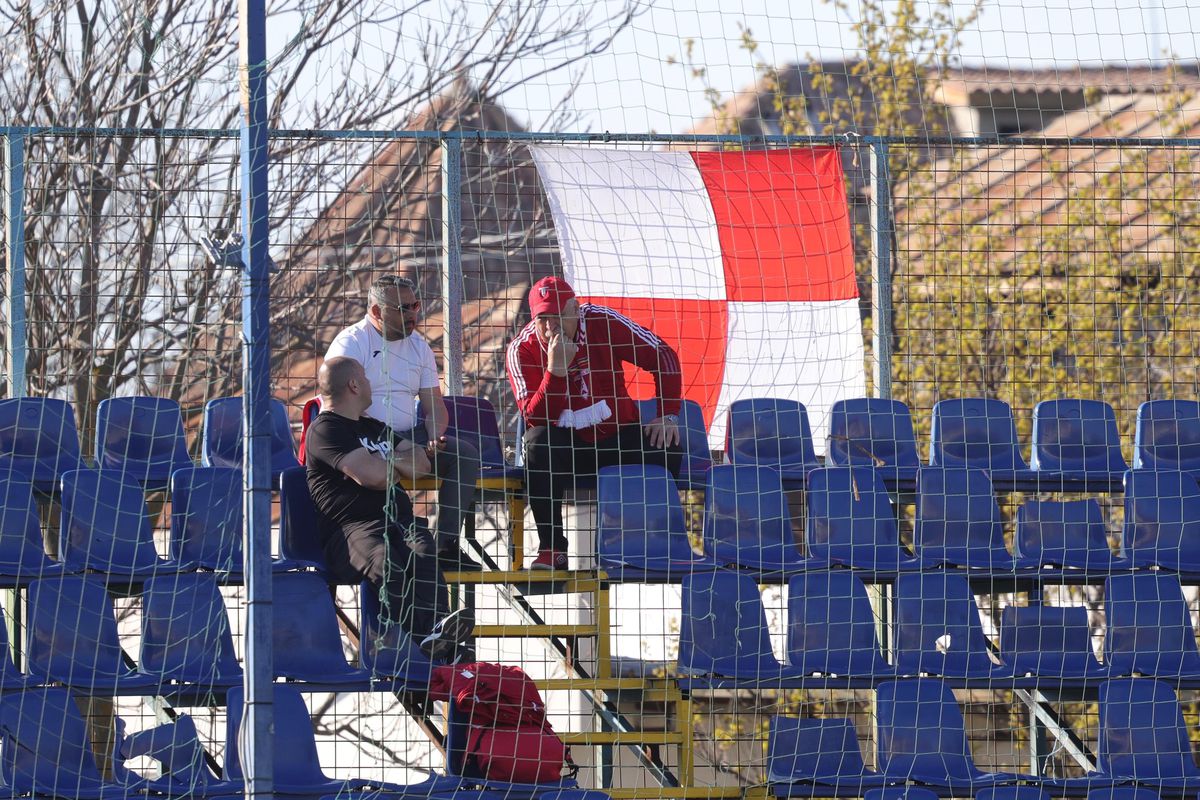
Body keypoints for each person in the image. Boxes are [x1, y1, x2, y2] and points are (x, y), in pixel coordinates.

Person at [505, 276, 683, 570]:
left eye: (558, 317)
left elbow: (664, 356)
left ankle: (653, 536)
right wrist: (555, 371)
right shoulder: (521, 349)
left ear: (575, 309)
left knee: (669, 445)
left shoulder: (602, 321)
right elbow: (534, 417)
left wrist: (667, 413)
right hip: (567, 447)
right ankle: (552, 548)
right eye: (542, 320)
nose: (551, 329)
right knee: (537, 443)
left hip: (616, 436)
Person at [325, 275, 481, 570]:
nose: (412, 314)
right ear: (375, 312)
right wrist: (385, 443)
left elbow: (434, 406)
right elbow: (339, 408)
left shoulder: (419, 347)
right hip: (365, 438)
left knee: (464, 453)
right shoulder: (351, 343)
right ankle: (398, 545)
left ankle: (445, 547)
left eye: (415, 306)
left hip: (410, 437)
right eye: (402, 308)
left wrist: (435, 437)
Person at [304, 356, 460, 653]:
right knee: (388, 563)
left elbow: (422, 464)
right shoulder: (326, 430)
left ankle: (437, 637)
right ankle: (427, 642)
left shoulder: (373, 426)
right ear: (353, 385)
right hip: (353, 532)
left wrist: (385, 461)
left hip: (399, 522)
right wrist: (393, 463)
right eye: (363, 377)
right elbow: (374, 477)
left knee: (424, 552)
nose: (368, 383)